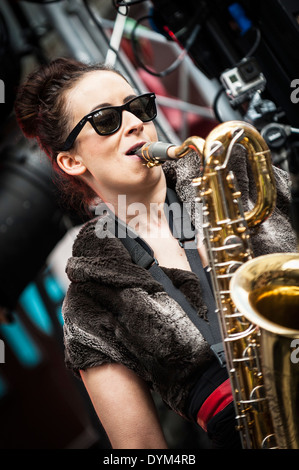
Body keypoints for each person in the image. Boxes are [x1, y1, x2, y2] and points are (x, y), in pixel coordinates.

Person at [14, 57, 297, 449]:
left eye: (138, 107)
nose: (134, 123)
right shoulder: (88, 303)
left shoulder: (234, 173)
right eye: (106, 120)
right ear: (71, 160)